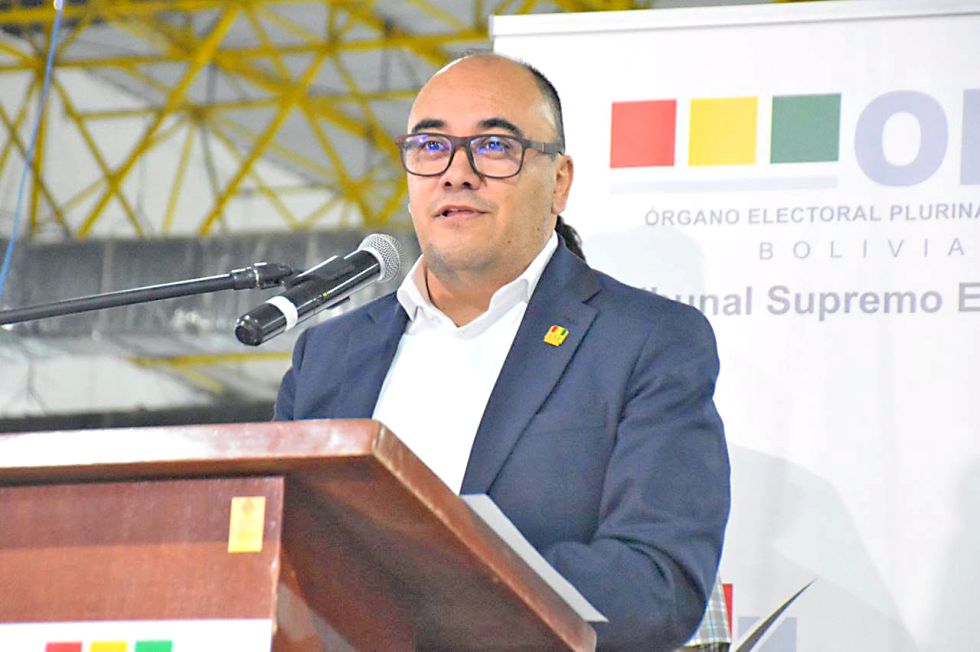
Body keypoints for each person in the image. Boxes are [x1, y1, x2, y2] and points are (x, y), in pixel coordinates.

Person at [275, 53, 730, 650]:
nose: (456, 173)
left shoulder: (645, 341)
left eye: (494, 146)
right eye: (431, 146)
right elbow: (270, 553)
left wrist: (430, 583)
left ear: (559, 182)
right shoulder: (328, 356)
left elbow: (656, 586)